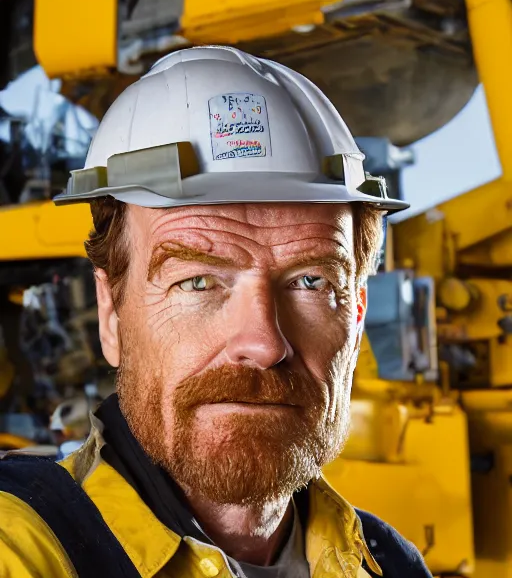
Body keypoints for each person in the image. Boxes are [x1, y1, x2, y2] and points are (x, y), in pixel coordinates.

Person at [0, 47, 432, 577]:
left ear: (357, 315)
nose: (264, 343)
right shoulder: (21, 551)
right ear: (111, 314)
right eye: (197, 282)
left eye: (310, 282)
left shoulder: (389, 565)